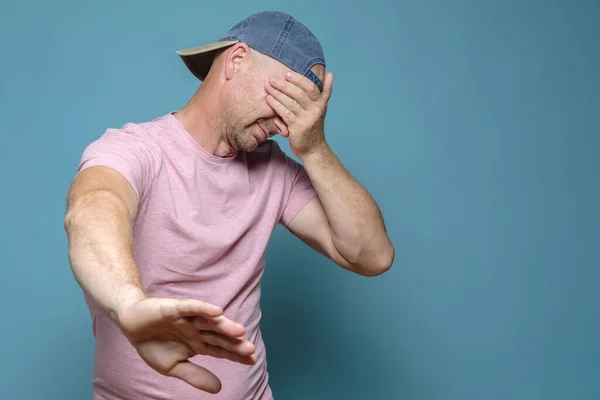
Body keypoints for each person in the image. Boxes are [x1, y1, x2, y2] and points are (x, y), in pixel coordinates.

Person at [64, 10, 394, 400]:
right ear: (236, 61)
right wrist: (129, 305)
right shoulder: (135, 150)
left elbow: (371, 256)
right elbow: (93, 207)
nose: (287, 125)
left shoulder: (274, 170)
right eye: (288, 99)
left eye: (304, 112)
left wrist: (315, 148)